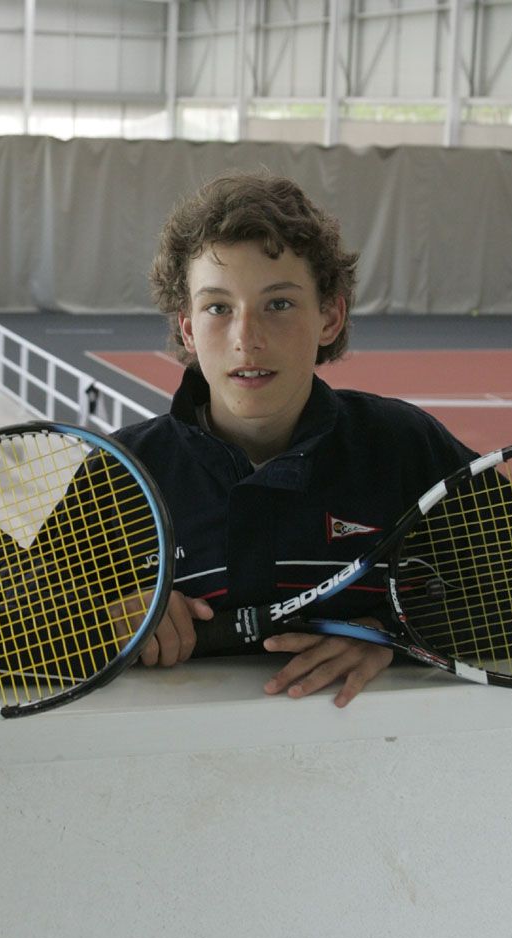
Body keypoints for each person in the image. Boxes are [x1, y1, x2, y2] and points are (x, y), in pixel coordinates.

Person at [113, 172, 479, 706]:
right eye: (218, 308)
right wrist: (98, 620)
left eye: (279, 304)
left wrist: (392, 635)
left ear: (330, 316)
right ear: (188, 329)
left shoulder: (405, 447)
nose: (247, 338)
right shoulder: (121, 471)